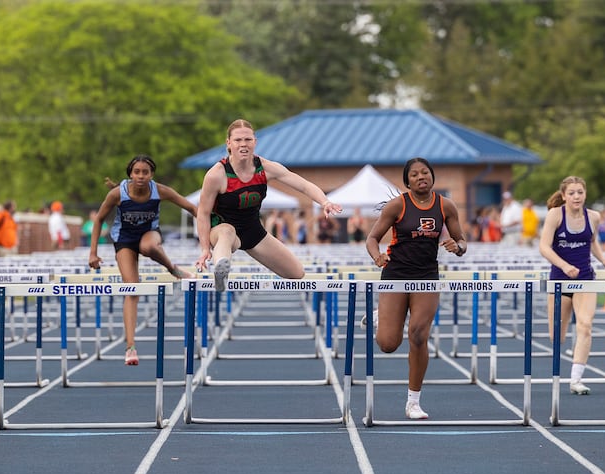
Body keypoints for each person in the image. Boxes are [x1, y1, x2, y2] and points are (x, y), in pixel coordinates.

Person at [364, 157, 466, 420]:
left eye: (425, 173)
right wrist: (378, 258)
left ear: (432, 176)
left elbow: (461, 240)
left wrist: (458, 248)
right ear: (407, 181)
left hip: (426, 277)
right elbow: (372, 238)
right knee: (388, 344)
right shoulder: (397, 205)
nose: (421, 177)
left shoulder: (446, 206)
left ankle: (413, 402)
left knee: (419, 335)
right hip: (396, 274)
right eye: (415, 174)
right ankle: (380, 317)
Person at [195, 119, 342, 290]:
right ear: (229, 143)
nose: (243, 144)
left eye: (248, 139)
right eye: (238, 140)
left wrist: (324, 201)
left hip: (253, 231)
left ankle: (222, 265)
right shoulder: (216, 175)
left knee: (297, 273)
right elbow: (203, 214)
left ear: (255, 142)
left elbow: (303, 185)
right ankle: (220, 270)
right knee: (227, 232)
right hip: (222, 231)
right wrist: (205, 248)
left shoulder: (266, 168)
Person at [89, 154, 197, 365]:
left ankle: (172, 268)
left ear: (151, 175)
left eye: (145, 172)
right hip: (124, 240)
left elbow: (192, 208)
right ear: (130, 174)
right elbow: (99, 219)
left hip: (149, 234)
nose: (140, 176)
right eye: (136, 172)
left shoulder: (160, 191)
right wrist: (92, 252)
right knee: (132, 289)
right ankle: (130, 348)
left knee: (147, 246)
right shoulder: (117, 194)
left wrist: (209, 231)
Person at [539, 176, 605, 395]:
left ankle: (576, 379)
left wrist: (603, 260)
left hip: (585, 280)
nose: (576, 197)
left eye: (580, 192)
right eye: (571, 193)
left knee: (585, 325)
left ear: (585, 194)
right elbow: (544, 247)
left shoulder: (594, 216)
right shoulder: (555, 215)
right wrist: (564, 266)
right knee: (557, 337)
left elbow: (593, 241)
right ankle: (569, 349)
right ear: (564, 195)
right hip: (560, 281)